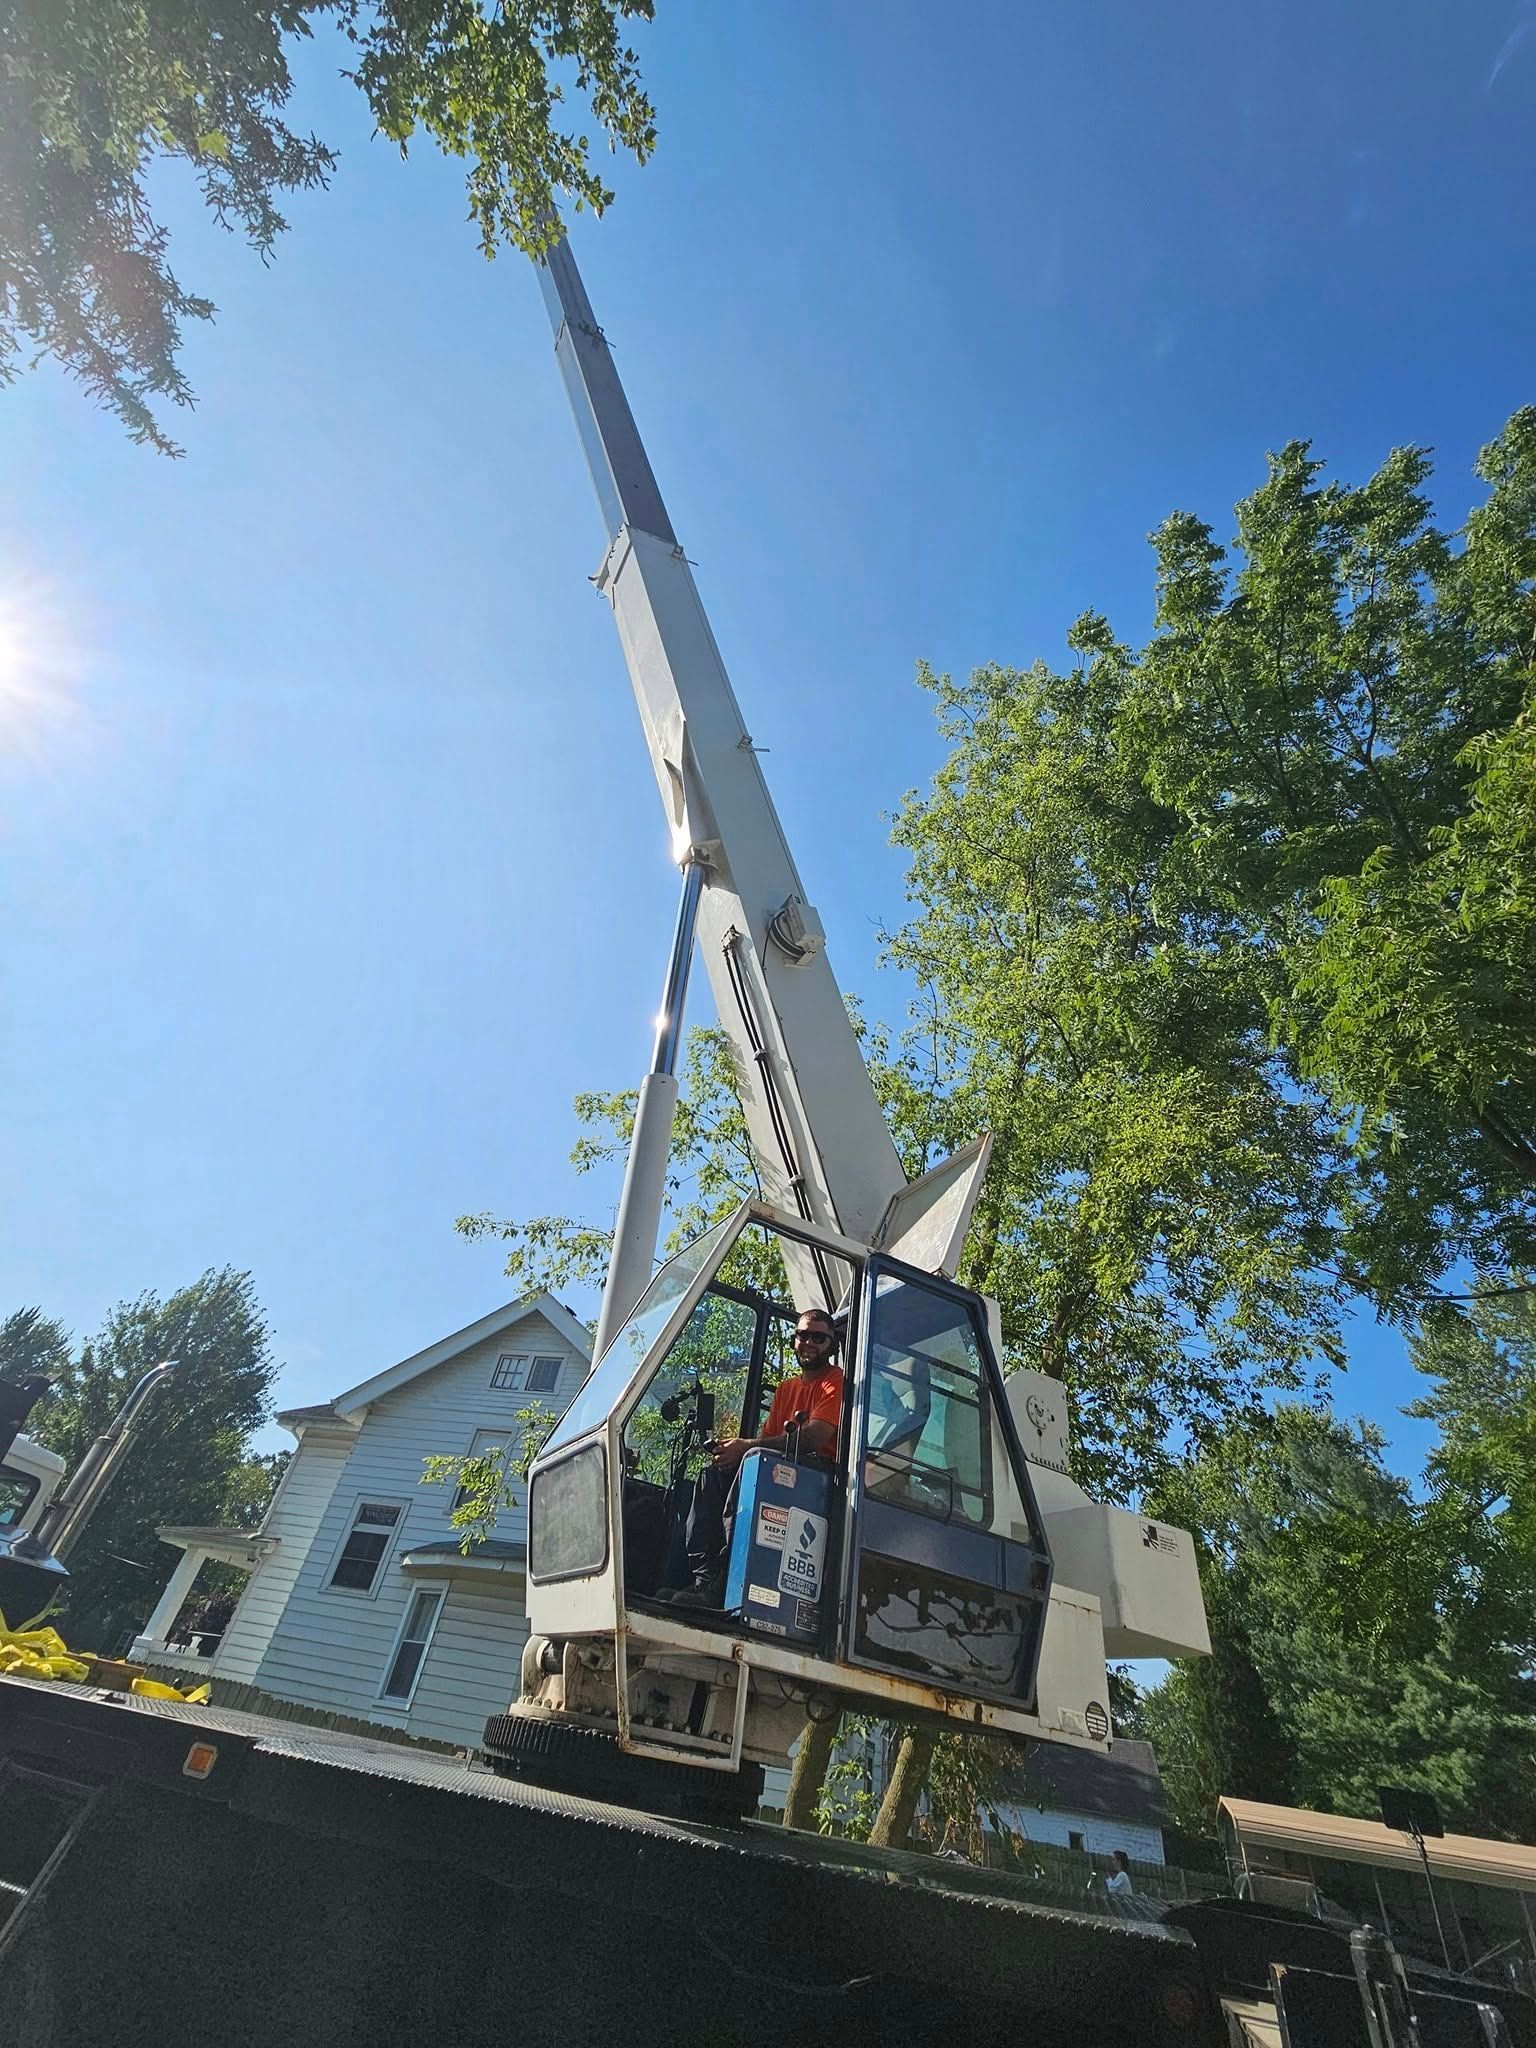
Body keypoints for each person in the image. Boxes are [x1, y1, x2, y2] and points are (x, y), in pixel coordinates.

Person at [665, 1307, 843, 1608]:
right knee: (713, 1476)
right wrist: (731, 1452)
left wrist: (746, 1447)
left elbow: (815, 1437)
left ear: (831, 1345)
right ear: (794, 1340)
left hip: (818, 1476)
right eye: (803, 1335)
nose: (809, 1343)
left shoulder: (834, 1381)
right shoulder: (787, 1388)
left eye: (818, 1337)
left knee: (755, 1461)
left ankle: (726, 1583)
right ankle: (704, 1579)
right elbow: (770, 1438)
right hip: (783, 1465)